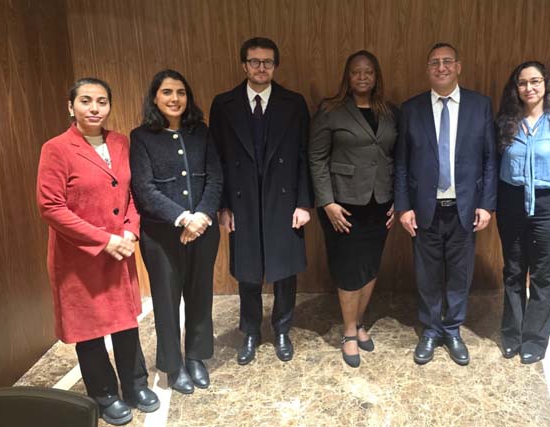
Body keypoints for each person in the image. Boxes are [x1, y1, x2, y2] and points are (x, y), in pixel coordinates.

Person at [36, 78, 159, 425]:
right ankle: (104, 394)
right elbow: (51, 207)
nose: (94, 108)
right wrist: (104, 240)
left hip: (120, 251)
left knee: (124, 322)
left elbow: (132, 193)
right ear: (71, 106)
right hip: (79, 257)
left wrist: (130, 231)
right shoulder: (56, 148)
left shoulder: (120, 142)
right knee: (89, 330)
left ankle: (135, 386)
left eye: (102, 101)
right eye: (86, 101)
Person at [210, 37, 312, 365]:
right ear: (244, 65)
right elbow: (218, 159)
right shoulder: (223, 104)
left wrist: (303, 203)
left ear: (275, 66)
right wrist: (223, 205)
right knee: (248, 270)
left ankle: (282, 329)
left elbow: (304, 155)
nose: (261, 68)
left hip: (283, 199)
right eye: (254, 61)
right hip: (243, 201)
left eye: (267, 62)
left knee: (285, 270)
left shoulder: (294, 103)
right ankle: (251, 331)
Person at [394, 43, 497, 366]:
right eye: (435, 63)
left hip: (465, 209)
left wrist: (487, 205)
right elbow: (401, 163)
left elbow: (490, 159)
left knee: (459, 274)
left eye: (447, 61)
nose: (441, 67)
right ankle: (430, 330)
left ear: (458, 66)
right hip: (424, 209)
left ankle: (452, 330)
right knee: (426, 275)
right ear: (427, 69)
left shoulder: (480, 106)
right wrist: (403, 207)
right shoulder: (411, 109)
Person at [130, 70, 222, 394]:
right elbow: (143, 189)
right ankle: (173, 365)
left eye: (181, 92)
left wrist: (202, 217)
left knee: (200, 295)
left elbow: (215, 178)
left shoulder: (201, 132)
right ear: (155, 97)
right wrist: (184, 219)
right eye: (167, 92)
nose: (174, 98)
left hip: (204, 230)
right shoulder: (141, 137)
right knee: (166, 302)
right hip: (162, 235)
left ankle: (196, 357)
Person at [309, 50, 398, 367]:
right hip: (342, 205)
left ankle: (359, 322)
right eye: (356, 72)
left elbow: (396, 156)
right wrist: (327, 202)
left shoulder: (389, 111)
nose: (363, 77)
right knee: (348, 268)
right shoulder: (330, 110)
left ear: (376, 76)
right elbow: (316, 158)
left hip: (380, 202)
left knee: (370, 265)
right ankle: (348, 332)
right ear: (347, 76)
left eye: (368, 72)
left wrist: (397, 200)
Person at [495, 61, 550, 364]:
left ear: (546, 84)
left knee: (543, 275)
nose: (529, 88)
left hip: (549, 206)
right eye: (522, 83)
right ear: (515, 88)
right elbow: (494, 163)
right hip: (511, 203)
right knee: (513, 271)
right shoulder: (505, 124)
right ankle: (512, 334)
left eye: (535, 81)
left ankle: (534, 339)